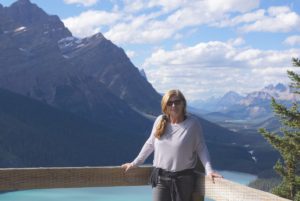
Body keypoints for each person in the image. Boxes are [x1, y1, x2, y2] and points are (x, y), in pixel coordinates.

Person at [122, 89, 222, 201]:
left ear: (183, 103)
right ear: (165, 106)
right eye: (170, 103)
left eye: (177, 102)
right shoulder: (160, 121)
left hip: (183, 180)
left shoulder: (192, 124)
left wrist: (209, 170)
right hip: (160, 178)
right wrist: (135, 163)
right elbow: (150, 144)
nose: (173, 105)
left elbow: (201, 148)